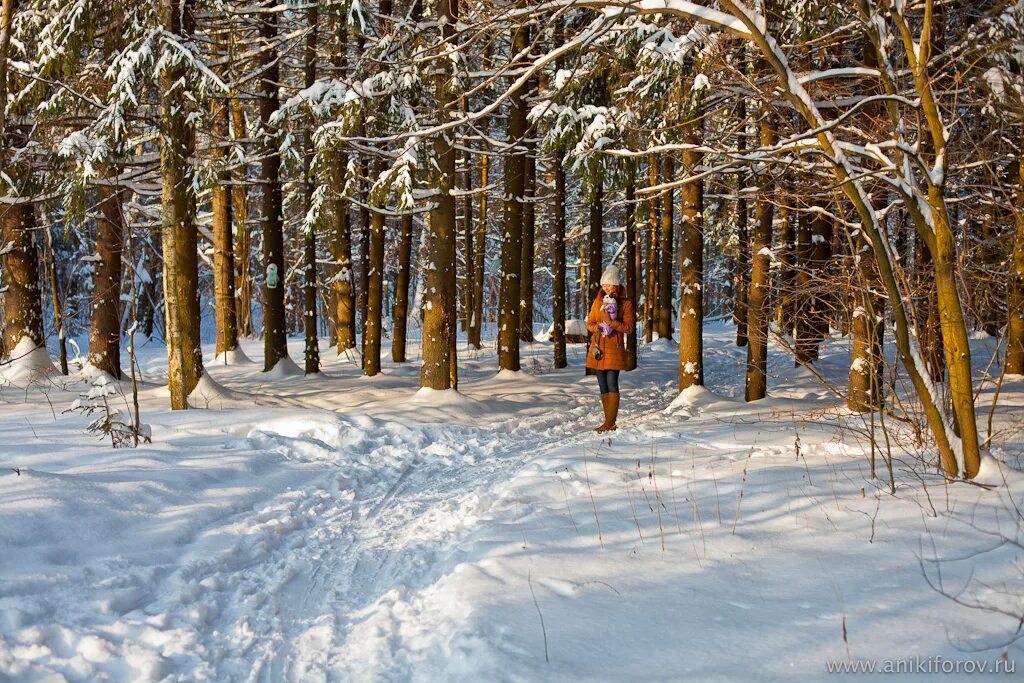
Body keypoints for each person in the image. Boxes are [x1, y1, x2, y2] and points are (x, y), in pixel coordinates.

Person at [585, 265, 636, 432]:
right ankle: (608, 421)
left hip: (615, 347)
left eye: (609, 284)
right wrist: (597, 327)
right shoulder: (598, 301)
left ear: (616, 285)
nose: (606, 288)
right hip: (598, 348)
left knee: (612, 382)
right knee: (602, 384)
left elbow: (629, 328)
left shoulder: (625, 303)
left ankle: (610, 422)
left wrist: (611, 322)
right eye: (604, 285)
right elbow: (589, 323)